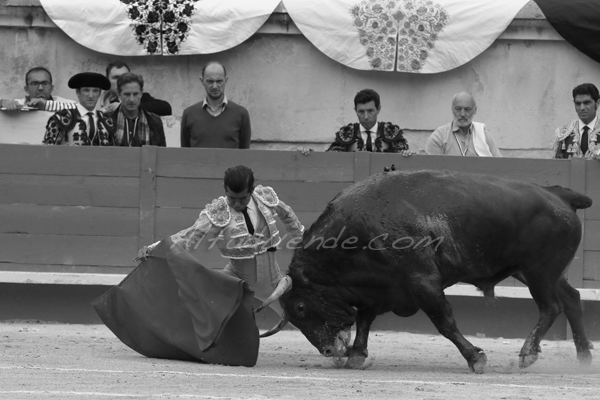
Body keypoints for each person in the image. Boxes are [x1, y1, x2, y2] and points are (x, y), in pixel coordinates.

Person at [93, 165, 304, 367]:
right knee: (202, 316)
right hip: (236, 281)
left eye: (242, 198)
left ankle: (333, 349)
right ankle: (177, 347)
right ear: (225, 191)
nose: (237, 204)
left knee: (303, 316)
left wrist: (305, 242)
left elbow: (288, 216)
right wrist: (155, 247)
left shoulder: (264, 198)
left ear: (251, 191)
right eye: (232, 198)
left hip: (274, 279)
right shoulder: (220, 211)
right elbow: (191, 236)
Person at [298, 89, 411, 155]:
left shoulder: (391, 132)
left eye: (370, 111)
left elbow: (403, 158)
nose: (366, 117)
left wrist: (406, 153)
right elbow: (330, 158)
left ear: (379, 109)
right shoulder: (347, 133)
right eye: (361, 111)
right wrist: (310, 154)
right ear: (355, 111)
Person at [180, 61, 251, 148]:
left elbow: (244, 154)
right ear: (202, 81)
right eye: (210, 81)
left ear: (226, 80)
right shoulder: (189, 114)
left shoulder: (241, 114)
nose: (214, 86)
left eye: (219, 81)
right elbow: (185, 154)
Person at [42, 72, 116, 146]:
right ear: (78, 92)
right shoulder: (61, 118)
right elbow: (47, 150)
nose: (91, 95)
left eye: (95, 91)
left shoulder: (107, 120)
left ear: (100, 94)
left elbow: (113, 152)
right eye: (86, 90)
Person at [426, 91, 502, 157]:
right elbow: (431, 170)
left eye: (467, 109)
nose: (462, 114)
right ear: (452, 109)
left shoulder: (485, 137)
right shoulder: (439, 137)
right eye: (458, 109)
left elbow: (500, 166)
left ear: (475, 110)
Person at [106, 72, 166, 147]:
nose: (131, 99)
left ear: (141, 93)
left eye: (135, 94)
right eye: (127, 94)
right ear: (118, 94)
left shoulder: (154, 121)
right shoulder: (107, 119)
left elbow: (161, 154)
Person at [99, 61, 172, 116]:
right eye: (116, 77)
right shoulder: (96, 98)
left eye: (124, 76)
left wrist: (129, 106)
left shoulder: (138, 97)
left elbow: (166, 108)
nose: (120, 81)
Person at [553, 83, 600, 159]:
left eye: (586, 103)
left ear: (597, 103)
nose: (582, 108)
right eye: (578, 103)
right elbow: (557, 166)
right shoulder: (563, 132)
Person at [0, 67, 75, 111]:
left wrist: (46, 104)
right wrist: (2, 103)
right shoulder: (18, 105)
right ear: (26, 89)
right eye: (35, 83)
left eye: (45, 83)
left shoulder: (65, 104)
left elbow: (82, 109)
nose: (40, 88)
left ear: (51, 88)